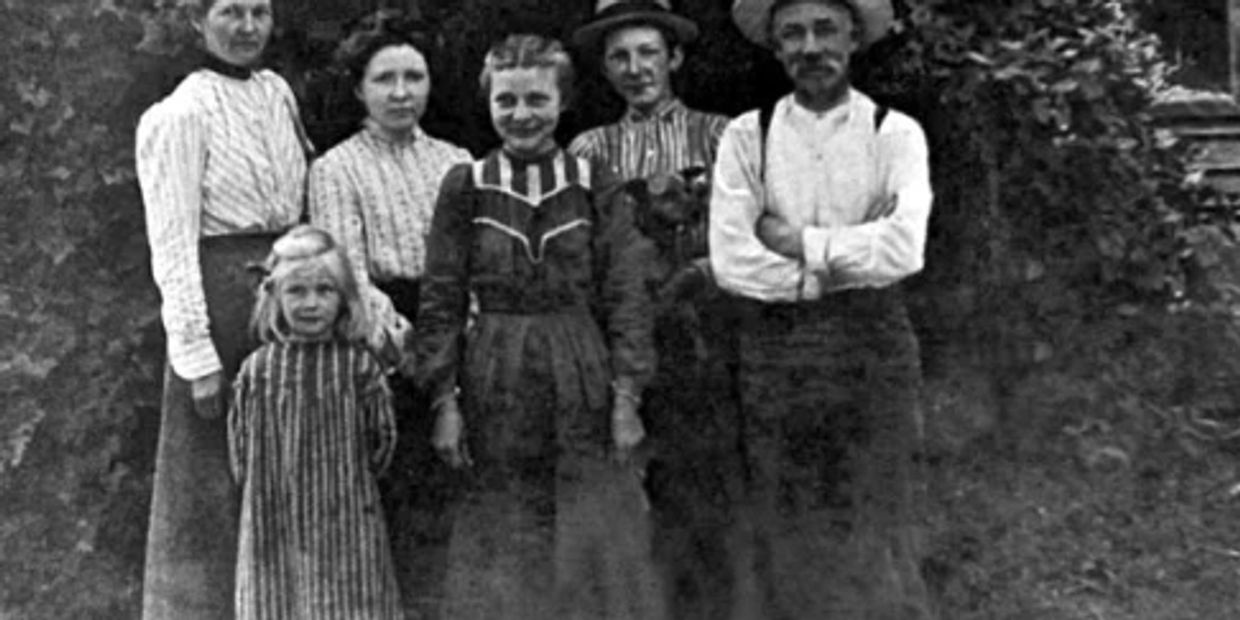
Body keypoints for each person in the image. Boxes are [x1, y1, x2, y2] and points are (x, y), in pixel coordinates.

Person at [415, 34, 662, 620]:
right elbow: (442, 298)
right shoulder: (466, 185)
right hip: (495, 367)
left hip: (579, 360)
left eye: (537, 99)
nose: (521, 115)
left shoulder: (590, 178)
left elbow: (626, 290)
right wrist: (443, 401)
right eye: (506, 101)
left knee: (588, 520)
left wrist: (627, 395)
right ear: (488, 104)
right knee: (504, 525)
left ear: (563, 102)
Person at [710, 0, 935, 617]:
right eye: (793, 34)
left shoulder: (896, 134)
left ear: (854, 38)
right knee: (788, 522)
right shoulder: (745, 137)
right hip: (777, 351)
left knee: (881, 518)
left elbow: (903, 248)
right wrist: (839, 263)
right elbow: (734, 261)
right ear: (776, 48)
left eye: (825, 30)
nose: (810, 47)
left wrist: (800, 243)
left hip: (874, 345)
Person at [134, 0, 311, 617]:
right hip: (224, 304)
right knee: (208, 477)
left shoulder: (277, 92)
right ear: (195, 23)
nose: (246, 28)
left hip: (290, 298)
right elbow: (173, 243)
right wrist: (195, 354)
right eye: (229, 12)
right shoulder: (180, 113)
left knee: (291, 462)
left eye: (258, 12)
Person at [568, 2, 739, 617]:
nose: (635, 69)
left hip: (710, 335)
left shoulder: (720, 135)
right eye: (620, 56)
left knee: (711, 491)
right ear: (605, 68)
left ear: (675, 58)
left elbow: (746, 235)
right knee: (638, 496)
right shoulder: (590, 148)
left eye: (648, 54)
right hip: (628, 340)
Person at [306, 15, 472, 607]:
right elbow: (346, 274)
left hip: (459, 326)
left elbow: (475, 261)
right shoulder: (335, 168)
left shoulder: (457, 161)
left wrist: (459, 339)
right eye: (385, 79)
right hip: (385, 347)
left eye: (414, 77)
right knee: (407, 504)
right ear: (359, 89)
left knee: (470, 501)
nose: (401, 93)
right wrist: (416, 356)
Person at [227, 226, 401, 619]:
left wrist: (348, 482)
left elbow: (382, 443)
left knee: (350, 600)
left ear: (344, 299)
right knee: (277, 599)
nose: (311, 304)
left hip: (349, 517)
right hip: (274, 515)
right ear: (274, 298)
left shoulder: (359, 367)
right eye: (296, 292)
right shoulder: (258, 371)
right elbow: (240, 454)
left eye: (325, 291)